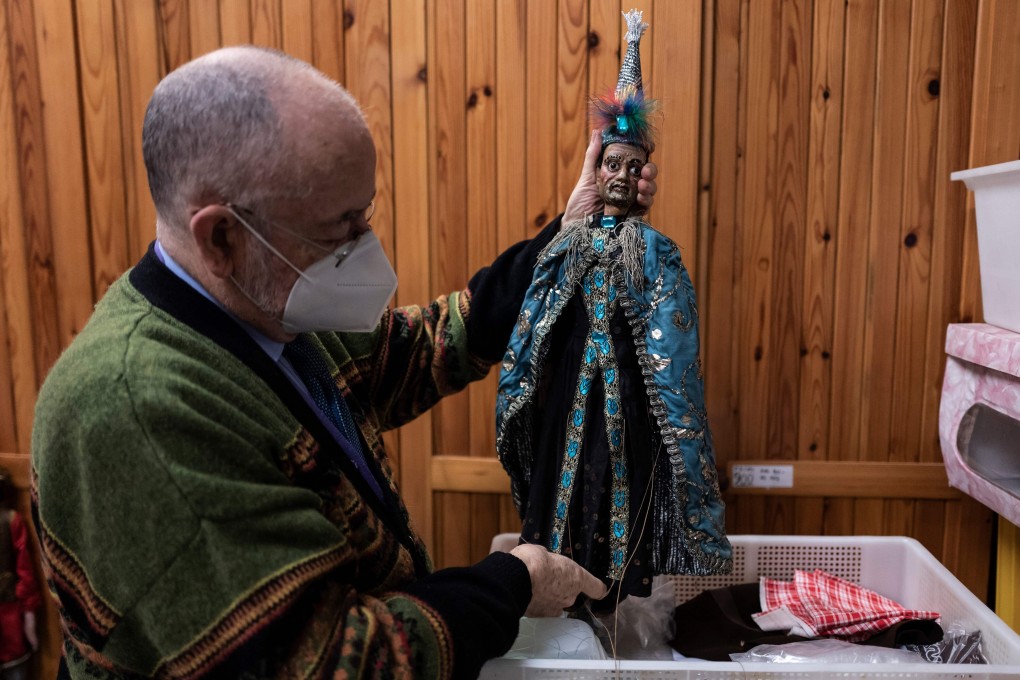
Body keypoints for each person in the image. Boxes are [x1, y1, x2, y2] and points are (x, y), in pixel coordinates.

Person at [30, 46, 657, 679]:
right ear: (222, 237)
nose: (366, 244)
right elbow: (340, 663)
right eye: (341, 226)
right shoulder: (141, 412)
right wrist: (512, 581)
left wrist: (572, 233)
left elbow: (422, 350)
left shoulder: (264, 312)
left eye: (368, 213)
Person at [496, 10, 730, 616]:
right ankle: (559, 580)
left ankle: (613, 590)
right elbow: (535, 314)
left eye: (633, 167)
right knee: (566, 484)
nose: (623, 177)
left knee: (621, 480)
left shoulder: (656, 252)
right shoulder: (568, 243)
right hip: (571, 387)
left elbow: (674, 348)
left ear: (645, 174)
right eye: (612, 164)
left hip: (627, 392)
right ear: (596, 169)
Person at [0, 468, 40, 680]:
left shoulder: (11, 521)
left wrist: (29, 618)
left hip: (9, 621)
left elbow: (25, 573)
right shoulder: (11, 520)